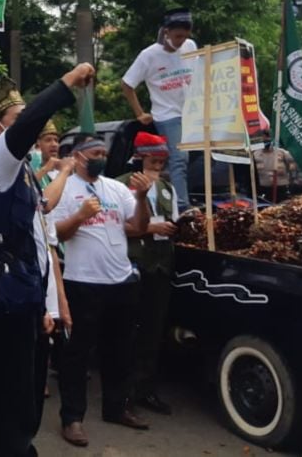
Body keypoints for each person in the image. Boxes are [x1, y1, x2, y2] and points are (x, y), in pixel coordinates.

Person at [0, 69, 89, 457]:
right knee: (8, 395)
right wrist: (64, 83)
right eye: (19, 120)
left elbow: (36, 241)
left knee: (16, 393)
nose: (33, 129)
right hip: (1, 301)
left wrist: (49, 304)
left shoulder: (22, 175)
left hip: (21, 299)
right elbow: (31, 122)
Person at [52, 132, 154, 447]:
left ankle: (116, 408)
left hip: (121, 282)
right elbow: (55, 234)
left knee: (120, 351)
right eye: (95, 152)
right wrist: (80, 217)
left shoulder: (117, 188)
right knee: (76, 355)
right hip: (82, 283)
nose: (101, 157)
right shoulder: (63, 188)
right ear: (79, 156)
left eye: (103, 153)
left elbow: (138, 228)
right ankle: (72, 418)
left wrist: (140, 199)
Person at [116, 132, 177, 416]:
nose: (158, 165)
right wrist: (150, 228)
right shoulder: (120, 185)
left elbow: (173, 221)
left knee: (153, 331)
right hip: (133, 264)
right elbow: (113, 226)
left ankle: (145, 389)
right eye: (153, 160)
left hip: (161, 266)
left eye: (162, 161)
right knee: (128, 331)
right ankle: (123, 392)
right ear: (140, 158)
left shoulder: (167, 188)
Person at [121, 8, 197, 211]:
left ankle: (175, 196)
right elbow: (127, 84)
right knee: (179, 158)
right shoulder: (149, 55)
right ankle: (181, 206)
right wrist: (140, 113)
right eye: (177, 36)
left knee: (191, 158)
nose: (181, 40)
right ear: (166, 32)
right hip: (167, 115)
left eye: (185, 36)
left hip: (191, 112)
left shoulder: (190, 47)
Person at [252, 131, 297, 203]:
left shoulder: (282, 153)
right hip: (264, 188)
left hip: (281, 188)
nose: (265, 142)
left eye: (267, 139)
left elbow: (292, 168)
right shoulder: (255, 154)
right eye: (263, 140)